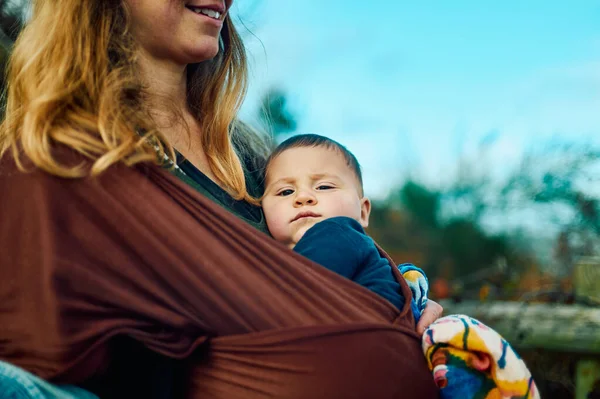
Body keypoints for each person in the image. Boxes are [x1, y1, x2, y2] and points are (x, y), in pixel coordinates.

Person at [0, 1, 443, 398]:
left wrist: (402, 299)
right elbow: (47, 343)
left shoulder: (249, 157)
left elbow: (319, 264)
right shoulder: (60, 162)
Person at [262, 134, 430, 320]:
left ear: (363, 212)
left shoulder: (337, 231)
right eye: (286, 191)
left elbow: (291, 296)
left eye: (324, 187)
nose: (302, 197)